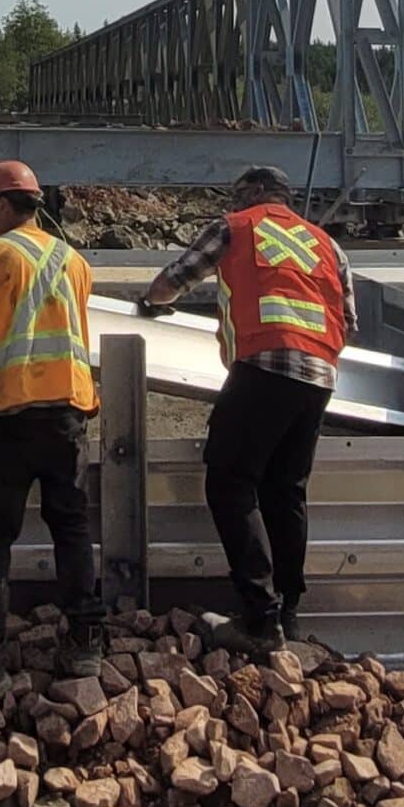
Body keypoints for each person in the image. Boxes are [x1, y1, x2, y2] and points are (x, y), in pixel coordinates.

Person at [137, 166, 354, 653]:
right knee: (285, 489)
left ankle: (259, 616)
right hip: (319, 376)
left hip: (263, 367)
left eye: (239, 197)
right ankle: (289, 610)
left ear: (255, 193)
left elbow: (175, 278)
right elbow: (349, 320)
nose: (234, 205)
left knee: (230, 481)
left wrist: (151, 303)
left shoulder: (236, 227)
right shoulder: (326, 244)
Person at [0, 160, 107, 693]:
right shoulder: (75, 260)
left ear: (4, 205)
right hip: (68, 416)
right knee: (72, 530)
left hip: (10, 417)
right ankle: (85, 645)